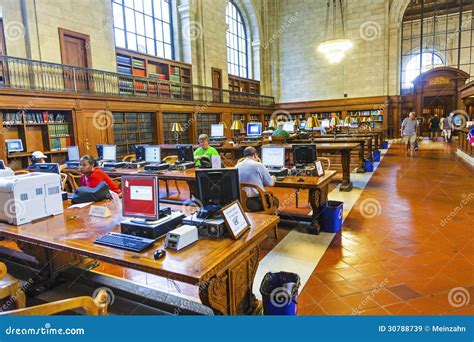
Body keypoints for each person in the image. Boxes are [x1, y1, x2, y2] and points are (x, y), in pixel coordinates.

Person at [236, 147, 279, 212]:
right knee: (275, 201)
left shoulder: (237, 166)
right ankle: (269, 220)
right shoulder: (259, 165)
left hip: (241, 202)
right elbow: (270, 184)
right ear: (255, 155)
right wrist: (273, 178)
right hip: (256, 202)